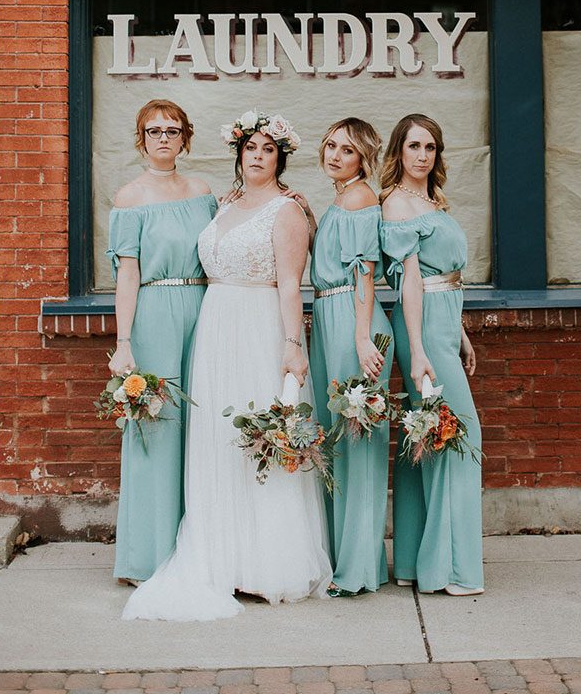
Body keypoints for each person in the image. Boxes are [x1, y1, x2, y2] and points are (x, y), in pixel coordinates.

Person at [123, 110, 332, 621]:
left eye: (268, 149)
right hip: (214, 328)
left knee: (257, 438)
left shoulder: (287, 210)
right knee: (216, 442)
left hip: (260, 328)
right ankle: (222, 556)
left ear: (280, 157)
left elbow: (291, 283)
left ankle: (265, 563)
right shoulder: (224, 203)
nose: (257, 156)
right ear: (238, 153)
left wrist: (293, 344)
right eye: (250, 148)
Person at [107, 99, 216, 586]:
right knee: (157, 425)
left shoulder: (203, 192)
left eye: (173, 130)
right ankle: (149, 555)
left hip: (204, 308)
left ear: (185, 138)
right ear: (142, 139)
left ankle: (200, 549)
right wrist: (124, 340)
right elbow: (127, 273)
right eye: (154, 131)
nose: (164, 138)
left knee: (201, 426)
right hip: (154, 312)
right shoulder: (130, 197)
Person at [380, 113, 484, 597]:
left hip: (444, 322)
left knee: (425, 438)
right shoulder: (397, 204)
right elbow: (412, 283)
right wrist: (419, 349)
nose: (423, 155)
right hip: (420, 327)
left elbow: (445, 279)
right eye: (414, 146)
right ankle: (453, 568)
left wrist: (459, 332)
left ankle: (415, 562)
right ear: (399, 151)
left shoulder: (433, 201)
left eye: (431, 147)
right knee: (457, 434)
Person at [309, 118, 392, 597]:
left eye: (347, 150)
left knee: (358, 446)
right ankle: (345, 559)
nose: (335, 155)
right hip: (328, 321)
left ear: (363, 159)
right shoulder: (338, 200)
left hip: (353, 322)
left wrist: (362, 339)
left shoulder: (360, 198)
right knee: (336, 440)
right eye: (331, 145)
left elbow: (365, 275)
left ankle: (358, 569)